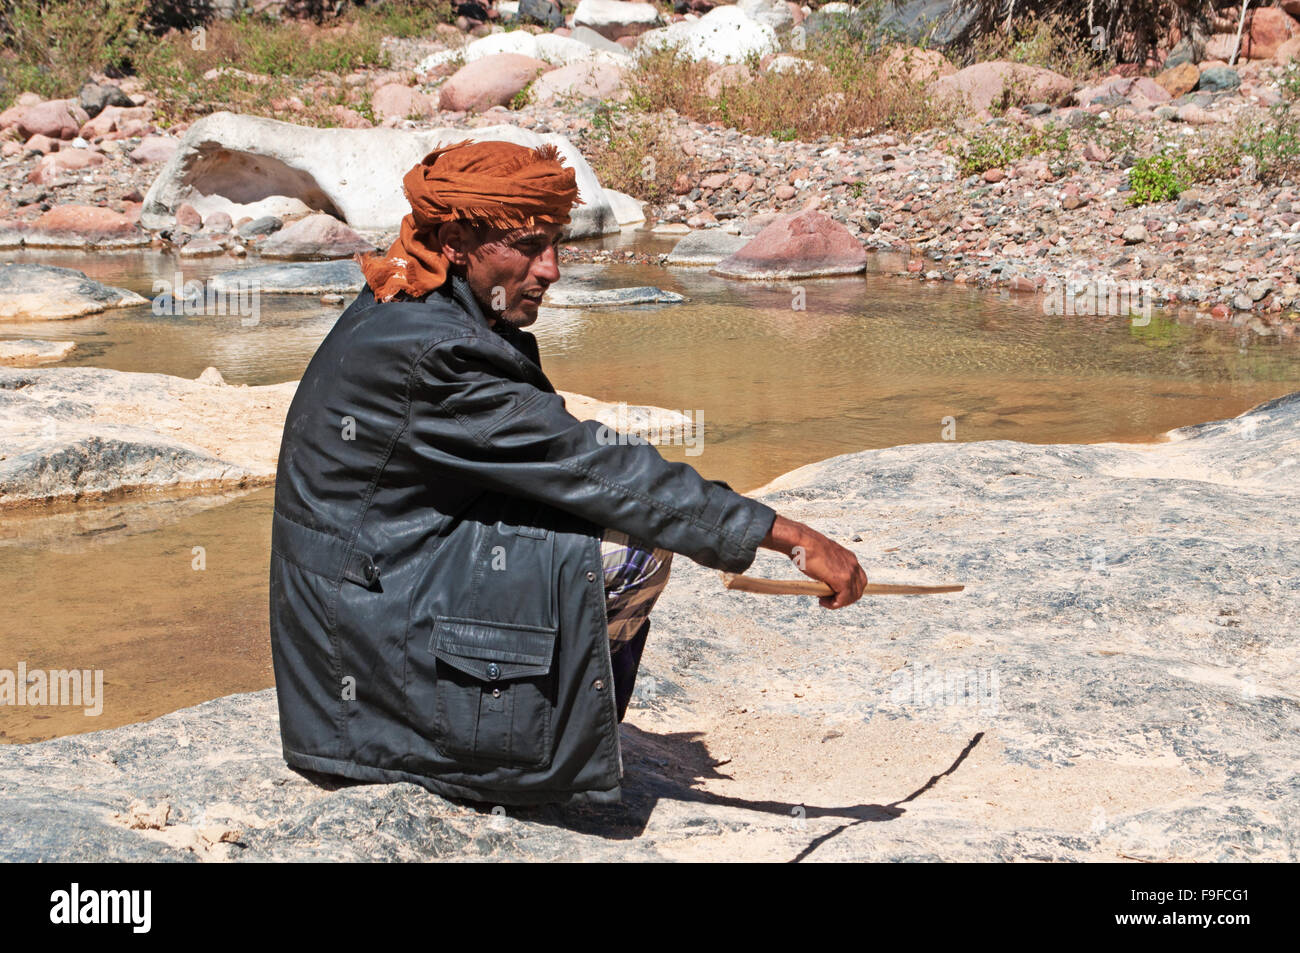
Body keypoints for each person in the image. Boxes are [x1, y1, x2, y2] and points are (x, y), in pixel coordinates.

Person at [269, 138, 867, 806]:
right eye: (525, 246)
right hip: (362, 650)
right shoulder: (439, 352)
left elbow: (556, 459)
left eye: (556, 243)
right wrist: (784, 534)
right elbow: (591, 465)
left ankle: (550, 731)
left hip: (366, 596)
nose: (550, 269)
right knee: (631, 552)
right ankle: (527, 752)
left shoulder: (415, 292)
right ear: (459, 240)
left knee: (596, 518)